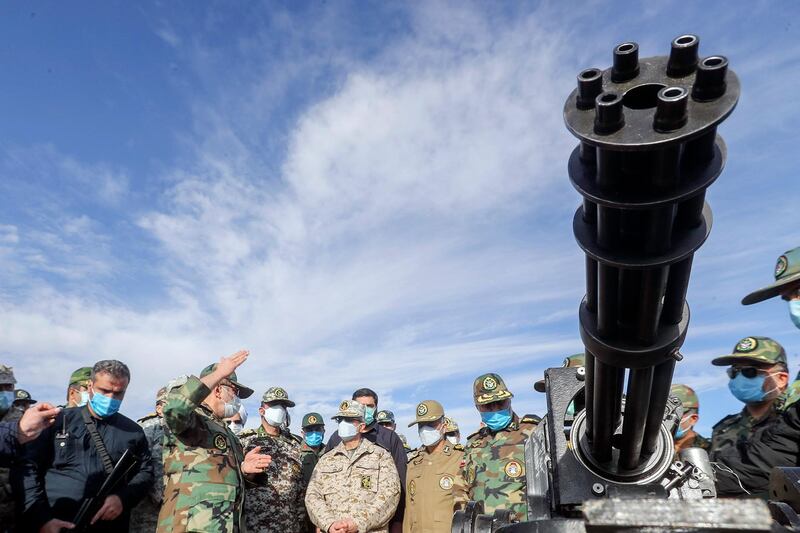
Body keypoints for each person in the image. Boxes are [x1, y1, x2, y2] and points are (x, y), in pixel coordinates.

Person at [18, 359, 154, 533]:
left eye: (118, 393)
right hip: (54, 523)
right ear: (90, 386)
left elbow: (145, 472)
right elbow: (27, 469)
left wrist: (122, 498)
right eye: (104, 391)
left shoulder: (133, 432)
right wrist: (41, 519)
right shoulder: (57, 422)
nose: (110, 398)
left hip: (108, 525)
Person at [157, 350, 271, 533]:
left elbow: (222, 479)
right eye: (235, 392)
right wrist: (218, 374)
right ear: (218, 390)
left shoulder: (227, 433)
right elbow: (174, 409)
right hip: (190, 526)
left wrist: (244, 471)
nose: (237, 399)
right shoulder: (194, 420)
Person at [305, 400, 400, 533]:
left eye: (349, 420)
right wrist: (329, 523)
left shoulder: (381, 456)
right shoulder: (326, 459)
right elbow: (312, 496)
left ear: (361, 426)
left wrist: (357, 523)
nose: (344, 423)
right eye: (341, 419)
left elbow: (390, 496)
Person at [325, 387, 407, 533]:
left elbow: (400, 483)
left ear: (376, 409)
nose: (365, 409)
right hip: (338, 524)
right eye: (361, 405)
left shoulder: (389, 438)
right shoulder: (337, 437)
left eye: (370, 406)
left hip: (376, 524)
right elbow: (324, 479)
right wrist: (324, 523)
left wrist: (398, 521)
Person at [462, 373, 539, 521]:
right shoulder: (473, 443)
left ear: (509, 400)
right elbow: (461, 487)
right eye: (488, 406)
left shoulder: (533, 431)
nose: (495, 410)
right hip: (483, 528)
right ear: (477, 407)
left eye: (500, 403)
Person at [710, 336, 793, 459]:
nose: (740, 378)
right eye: (734, 371)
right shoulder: (723, 429)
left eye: (750, 371)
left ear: (781, 379)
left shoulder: (792, 419)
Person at [241, 386, 306, 533]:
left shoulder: (295, 443)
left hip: (290, 525)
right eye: (274, 405)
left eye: (283, 406)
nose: (280, 410)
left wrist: (302, 521)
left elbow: (300, 487)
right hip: (256, 525)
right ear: (261, 411)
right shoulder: (246, 441)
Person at [404, 400, 467, 533]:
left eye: (431, 424)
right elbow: (409, 509)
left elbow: (465, 508)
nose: (425, 429)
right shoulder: (413, 463)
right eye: (421, 425)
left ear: (444, 426)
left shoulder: (459, 458)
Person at [130, 387, 169, 533]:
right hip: (148, 507)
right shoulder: (148, 427)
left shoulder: (186, 429)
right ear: (159, 408)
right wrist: (161, 496)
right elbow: (142, 463)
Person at [0, 365, 20, 531]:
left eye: (8, 386)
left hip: (14, 510)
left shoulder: (24, 422)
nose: (4, 391)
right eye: (0, 387)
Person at [669, 384, 710, 454]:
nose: (668, 419)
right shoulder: (653, 448)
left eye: (676, 415)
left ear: (693, 419)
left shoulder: (709, 451)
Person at [299, 412, 326, 486]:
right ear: (302, 433)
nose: (314, 433)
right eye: (309, 430)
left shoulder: (330, 452)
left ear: (323, 431)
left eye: (317, 429)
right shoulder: (295, 452)